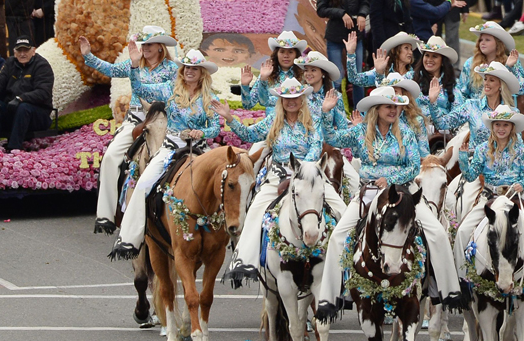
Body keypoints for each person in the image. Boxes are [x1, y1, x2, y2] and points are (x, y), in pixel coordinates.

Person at [315, 86, 463, 319]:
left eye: (396, 106)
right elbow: (332, 138)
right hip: (370, 191)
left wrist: (391, 180)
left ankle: (446, 290)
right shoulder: (361, 131)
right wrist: (325, 113)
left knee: (437, 232)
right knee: (337, 236)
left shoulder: (405, 130)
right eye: (388, 106)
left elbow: (414, 166)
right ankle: (332, 297)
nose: (393, 110)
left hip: (404, 190)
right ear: (377, 109)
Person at [219, 77, 346, 281]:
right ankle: (245, 261)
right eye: (286, 98)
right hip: (278, 175)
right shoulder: (273, 121)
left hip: (309, 174)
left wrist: (302, 171)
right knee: (255, 211)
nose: (291, 101)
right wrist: (230, 118)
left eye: (295, 97)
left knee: (342, 210)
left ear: (302, 99)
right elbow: (249, 134)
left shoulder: (313, 119)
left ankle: (345, 266)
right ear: (281, 101)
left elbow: (316, 146)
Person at [111, 49, 224, 258]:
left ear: (202, 73)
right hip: (172, 148)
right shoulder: (169, 90)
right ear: (182, 70)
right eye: (187, 67)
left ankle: (230, 236)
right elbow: (140, 89)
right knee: (143, 184)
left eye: (195, 68)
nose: (190, 71)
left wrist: (203, 132)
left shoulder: (210, 97)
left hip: (199, 148)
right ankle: (128, 237)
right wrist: (135, 66)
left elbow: (216, 128)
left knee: (224, 183)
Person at [81, 27, 179, 234]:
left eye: (149, 45)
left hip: (163, 120)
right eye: (143, 45)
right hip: (136, 120)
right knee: (110, 157)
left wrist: (136, 75)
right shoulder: (135, 63)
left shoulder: (173, 68)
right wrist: (88, 56)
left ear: (160, 48)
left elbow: (166, 91)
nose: (145, 49)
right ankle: (106, 216)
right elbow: (111, 70)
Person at [452, 105, 524, 285]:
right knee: (463, 231)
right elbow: (470, 175)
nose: (501, 129)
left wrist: (523, 184)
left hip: (514, 199)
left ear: (512, 127)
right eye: (497, 125)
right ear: (492, 127)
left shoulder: (521, 149)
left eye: (505, 125)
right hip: (489, 198)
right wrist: (463, 158)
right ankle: (461, 281)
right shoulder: (481, 149)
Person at [0, 36, 55, 154]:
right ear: (14, 52)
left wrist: (21, 98)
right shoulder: (10, 62)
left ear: (33, 51)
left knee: (23, 107)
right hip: (13, 109)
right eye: (19, 50)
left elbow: (43, 92)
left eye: (26, 50)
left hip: (38, 113)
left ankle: (14, 148)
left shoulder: (42, 65)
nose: (22, 54)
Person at [315, 0, 368, 98]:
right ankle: (336, 114)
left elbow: (365, 2)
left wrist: (363, 14)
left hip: (354, 35)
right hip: (335, 35)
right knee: (336, 78)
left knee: (357, 77)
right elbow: (321, 9)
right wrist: (341, 13)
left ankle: (360, 115)